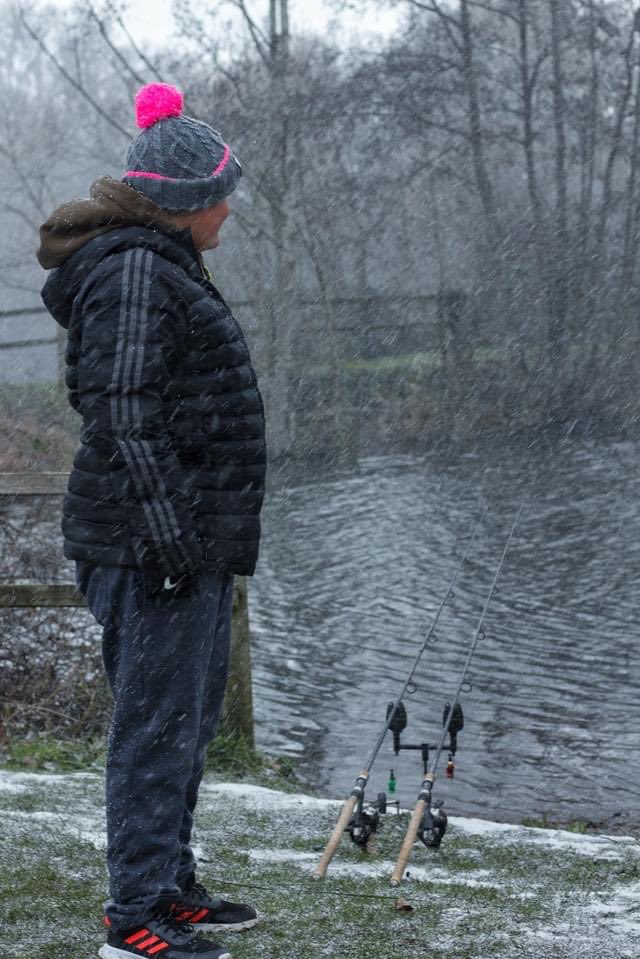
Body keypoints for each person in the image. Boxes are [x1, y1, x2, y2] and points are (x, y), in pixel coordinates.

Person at [37, 82, 267, 959]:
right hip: (148, 548)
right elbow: (119, 412)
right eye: (220, 193)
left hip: (184, 541)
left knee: (185, 723)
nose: (229, 207)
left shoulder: (159, 262)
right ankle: (134, 919)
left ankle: (170, 888)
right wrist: (171, 539)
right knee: (154, 729)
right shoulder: (136, 270)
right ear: (181, 202)